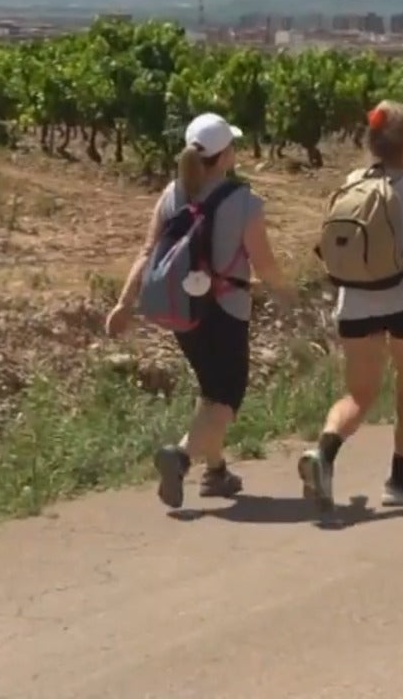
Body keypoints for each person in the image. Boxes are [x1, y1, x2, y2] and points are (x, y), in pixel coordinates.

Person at [106, 112, 291, 508]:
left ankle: (216, 471)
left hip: (183, 310)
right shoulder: (244, 201)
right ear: (225, 157)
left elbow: (146, 251)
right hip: (226, 311)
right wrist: (284, 293)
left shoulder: (172, 193)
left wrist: (124, 302)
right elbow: (265, 262)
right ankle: (182, 458)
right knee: (226, 398)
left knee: (210, 390)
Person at [299, 101, 403, 512]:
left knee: (359, 394)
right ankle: (401, 480)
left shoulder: (350, 183)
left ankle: (324, 452)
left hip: (355, 300)